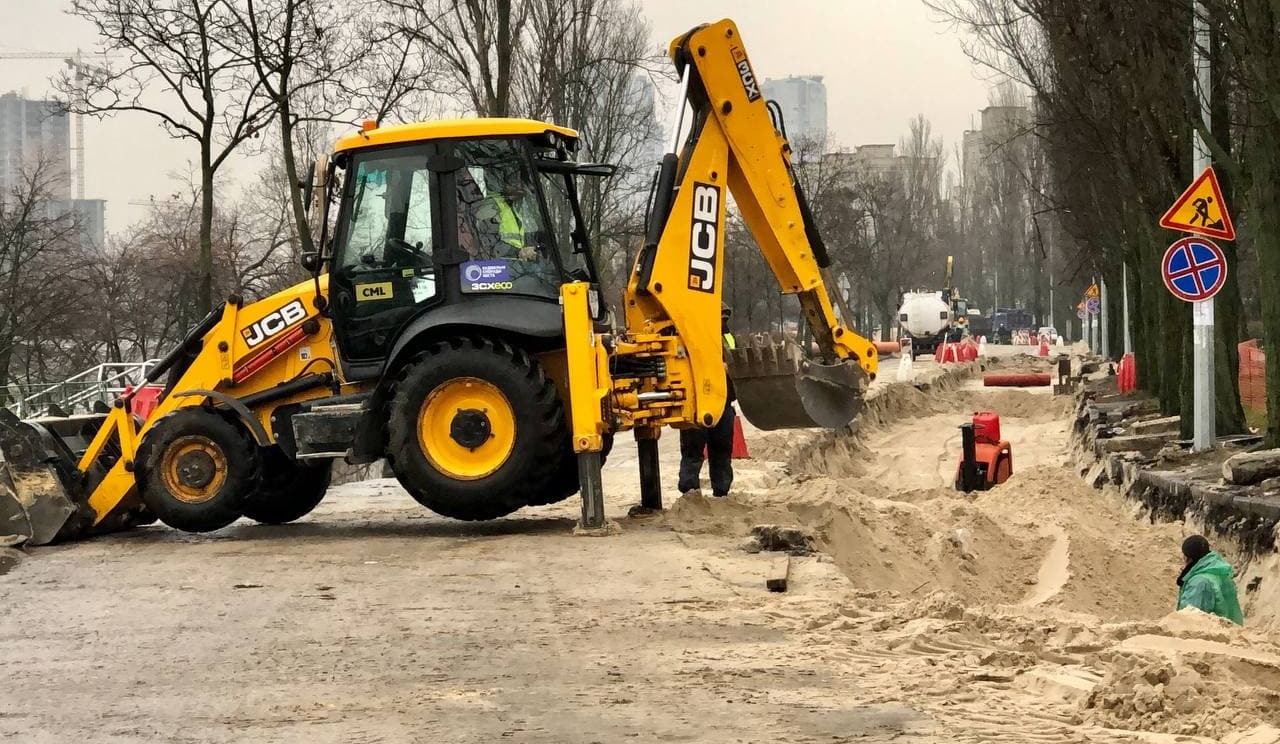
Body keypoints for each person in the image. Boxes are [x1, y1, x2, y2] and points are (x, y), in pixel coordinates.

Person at [678, 304, 737, 498]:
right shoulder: (690, 335)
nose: (721, 321)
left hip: (723, 403)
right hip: (696, 404)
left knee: (721, 450)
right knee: (693, 450)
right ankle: (690, 492)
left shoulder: (726, 336)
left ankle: (721, 491)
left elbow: (735, 361)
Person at [1176, 534, 1243, 625]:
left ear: (1188, 558)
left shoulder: (1198, 582)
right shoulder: (1220, 573)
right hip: (1231, 632)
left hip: (1209, 636)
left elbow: (1188, 618)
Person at [472, 173, 538, 261]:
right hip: (492, 266)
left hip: (509, 266)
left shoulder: (512, 210)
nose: (521, 189)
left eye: (522, 187)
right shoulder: (492, 206)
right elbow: (485, 240)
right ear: (506, 186)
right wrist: (517, 252)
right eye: (517, 185)